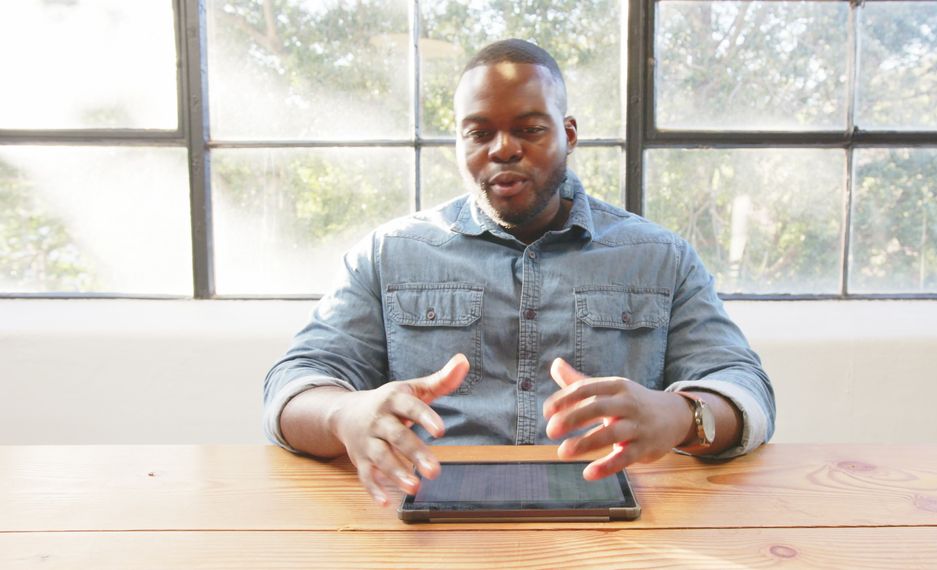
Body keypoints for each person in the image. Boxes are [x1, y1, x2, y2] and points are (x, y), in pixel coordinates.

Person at [263, 39, 775, 507]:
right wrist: (345, 415)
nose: (503, 148)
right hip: (430, 517)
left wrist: (682, 415)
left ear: (568, 134)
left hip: (612, 521)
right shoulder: (387, 254)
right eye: (479, 132)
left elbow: (744, 388)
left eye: (529, 129)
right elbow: (293, 387)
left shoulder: (661, 256)